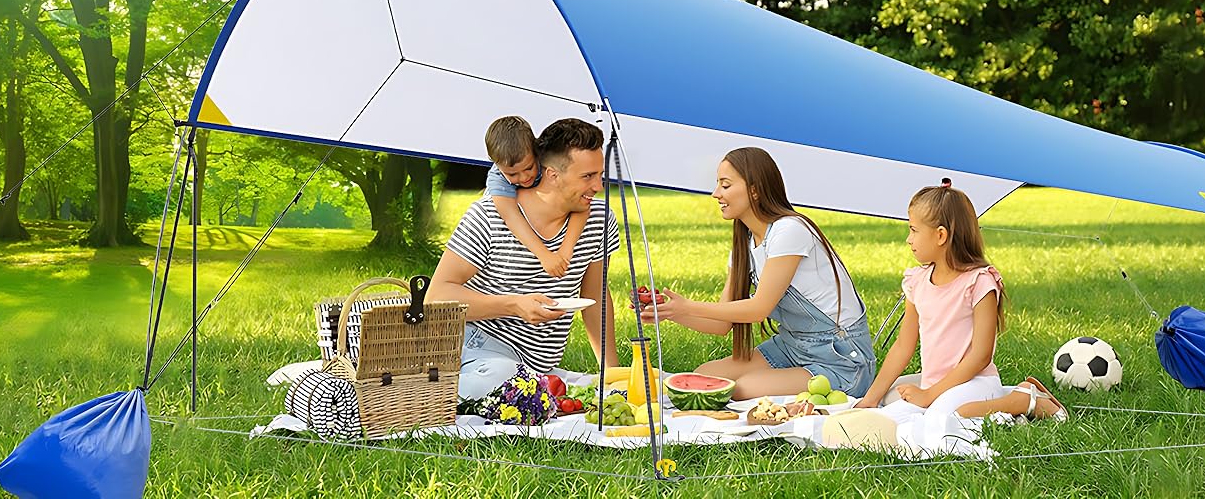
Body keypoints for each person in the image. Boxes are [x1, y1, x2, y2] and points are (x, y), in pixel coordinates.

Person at [643, 147, 876, 399]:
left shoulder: (790, 230)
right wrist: (668, 311)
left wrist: (688, 306)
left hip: (839, 358)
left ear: (754, 189)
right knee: (704, 376)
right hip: (791, 347)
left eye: (725, 185)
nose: (715, 194)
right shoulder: (745, 243)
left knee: (743, 388)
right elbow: (722, 324)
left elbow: (758, 308)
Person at [429, 118, 620, 400]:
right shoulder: (488, 217)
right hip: (478, 348)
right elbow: (437, 297)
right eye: (587, 177)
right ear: (553, 174)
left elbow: (595, 296)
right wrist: (514, 305)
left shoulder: (599, 219)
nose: (598, 186)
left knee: (530, 384)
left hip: (538, 366)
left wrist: (612, 375)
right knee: (503, 378)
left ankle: (528, 384)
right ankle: (419, 392)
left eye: (599, 175)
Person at [855, 183, 1066, 423]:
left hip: (976, 381)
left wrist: (929, 396)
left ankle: (1020, 401)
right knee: (890, 407)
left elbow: (981, 356)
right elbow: (904, 346)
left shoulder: (979, 282)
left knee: (944, 418)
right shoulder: (917, 282)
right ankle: (1013, 396)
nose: (908, 239)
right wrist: (871, 399)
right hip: (938, 385)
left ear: (941, 235)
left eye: (913, 230)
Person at [484, 116, 589, 278]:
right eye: (512, 174)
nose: (523, 177)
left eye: (529, 168)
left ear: (536, 150)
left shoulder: (550, 159)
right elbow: (510, 216)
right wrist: (544, 255)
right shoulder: (497, 178)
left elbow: (581, 204)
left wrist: (566, 249)